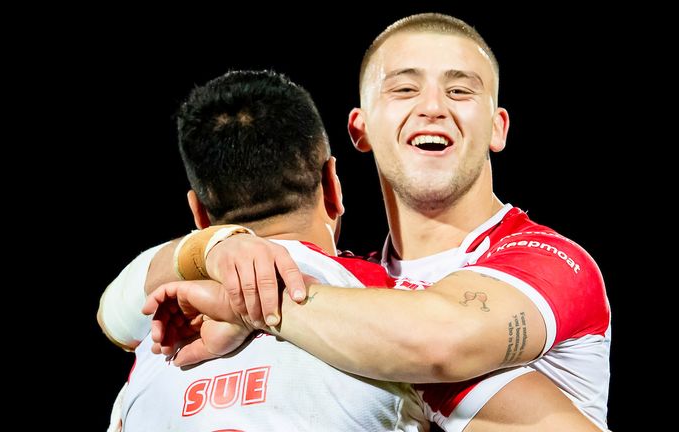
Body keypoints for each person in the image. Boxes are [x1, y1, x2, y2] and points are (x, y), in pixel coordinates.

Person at [101, 13, 609, 431]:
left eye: (460, 92)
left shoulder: (546, 259)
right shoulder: (349, 282)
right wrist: (212, 249)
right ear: (358, 132)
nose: (433, 107)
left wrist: (245, 297)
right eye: (404, 89)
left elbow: (437, 342)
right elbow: (114, 312)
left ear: (497, 128)